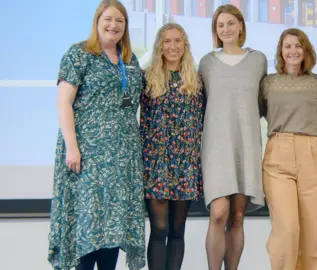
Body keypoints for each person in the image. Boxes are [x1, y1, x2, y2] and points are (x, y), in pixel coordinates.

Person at [47, 1, 145, 270]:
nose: (114, 25)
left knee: (112, 227)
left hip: (121, 159)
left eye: (120, 21)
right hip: (87, 157)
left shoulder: (129, 60)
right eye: (108, 19)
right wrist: (72, 147)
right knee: (88, 225)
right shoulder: (78, 54)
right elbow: (63, 102)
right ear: (97, 21)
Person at [198, 4, 267, 270]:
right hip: (216, 147)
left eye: (230, 23)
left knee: (237, 216)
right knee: (218, 214)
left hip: (246, 145)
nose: (226, 29)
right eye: (220, 25)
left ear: (241, 26)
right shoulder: (206, 62)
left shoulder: (258, 60)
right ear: (215, 30)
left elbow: (262, 103)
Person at [259, 28, 317, 270]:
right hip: (278, 153)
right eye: (287, 46)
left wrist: (307, 133)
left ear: (306, 50)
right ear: (280, 51)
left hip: (311, 152)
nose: (293, 51)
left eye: (298, 46)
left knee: (313, 231)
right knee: (287, 229)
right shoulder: (268, 83)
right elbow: (253, 114)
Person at [139, 23, 205, 270]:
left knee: (177, 230)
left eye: (178, 41)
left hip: (185, 165)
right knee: (159, 229)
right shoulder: (146, 79)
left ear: (185, 45)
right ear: (159, 45)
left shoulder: (197, 82)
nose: (173, 46)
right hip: (156, 163)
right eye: (167, 41)